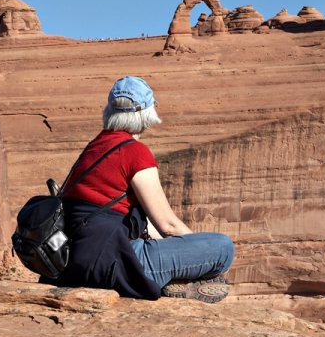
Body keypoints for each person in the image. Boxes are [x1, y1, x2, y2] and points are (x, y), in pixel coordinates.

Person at [48, 76, 234, 302]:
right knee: (223, 248)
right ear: (147, 113)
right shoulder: (134, 152)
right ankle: (173, 279)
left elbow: (142, 226)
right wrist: (196, 251)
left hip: (75, 265)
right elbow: (169, 226)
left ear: (110, 110)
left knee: (159, 245)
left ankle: (171, 276)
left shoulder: (95, 146)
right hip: (117, 267)